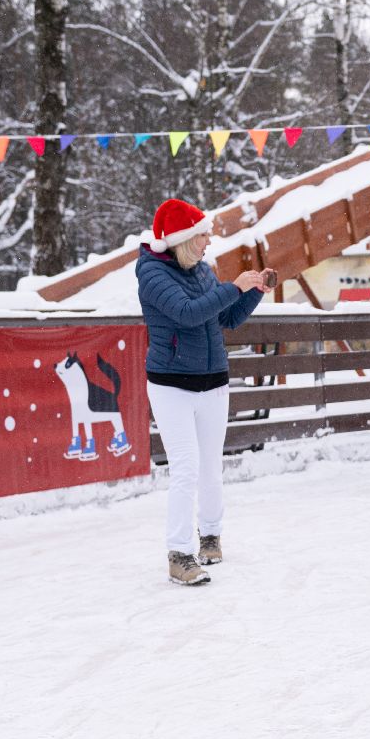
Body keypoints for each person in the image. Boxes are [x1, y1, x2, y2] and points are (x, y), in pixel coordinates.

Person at [138, 198, 268, 586]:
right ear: (182, 239)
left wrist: (253, 291)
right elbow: (189, 314)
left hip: (213, 382)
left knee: (211, 467)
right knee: (186, 468)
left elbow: (225, 317)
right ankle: (179, 553)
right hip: (171, 385)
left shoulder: (200, 270)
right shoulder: (153, 274)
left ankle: (210, 534)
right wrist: (234, 286)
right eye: (202, 235)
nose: (208, 241)